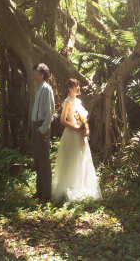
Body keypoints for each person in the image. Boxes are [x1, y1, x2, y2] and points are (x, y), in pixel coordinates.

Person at [52, 78, 101, 202]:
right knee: (72, 160)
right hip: (71, 135)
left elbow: (84, 119)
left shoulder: (78, 101)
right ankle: (69, 188)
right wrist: (77, 128)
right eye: (76, 86)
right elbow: (63, 120)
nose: (79, 88)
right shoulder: (67, 102)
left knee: (82, 160)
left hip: (80, 135)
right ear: (70, 89)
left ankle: (80, 187)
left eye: (78, 86)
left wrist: (86, 129)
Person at [30, 63, 55, 202]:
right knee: (38, 159)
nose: (33, 75)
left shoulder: (46, 89)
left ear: (41, 74)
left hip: (41, 127)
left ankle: (46, 194)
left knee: (44, 160)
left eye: (35, 73)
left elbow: (50, 110)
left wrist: (43, 128)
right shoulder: (38, 88)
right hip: (35, 125)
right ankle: (39, 191)